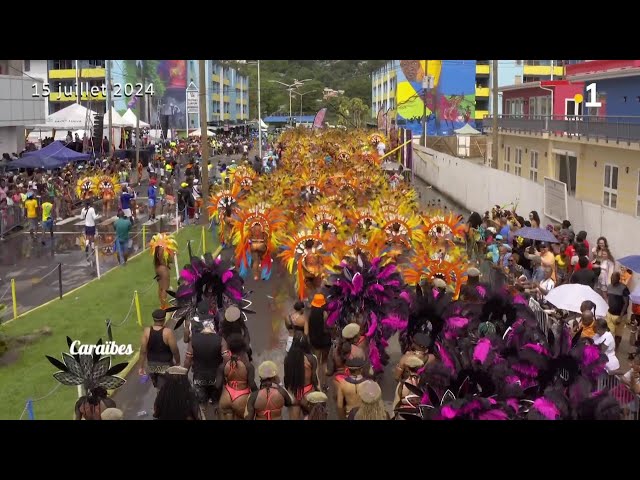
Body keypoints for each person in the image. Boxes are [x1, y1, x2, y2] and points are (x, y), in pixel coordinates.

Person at [184, 301, 226, 417]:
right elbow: (225, 357)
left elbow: (185, 342)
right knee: (217, 403)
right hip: (216, 375)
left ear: (197, 309)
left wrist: (183, 375)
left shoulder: (191, 323)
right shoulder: (216, 321)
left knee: (202, 405)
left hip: (198, 373)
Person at [216, 334, 256, 420]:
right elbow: (252, 385)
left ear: (229, 348)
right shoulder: (248, 366)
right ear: (243, 348)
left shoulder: (223, 365)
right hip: (242, 397)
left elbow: (218, 385)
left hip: (226, 396)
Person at [139, 309, 180, 389]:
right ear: (164, 319)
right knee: (171, 387)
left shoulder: (146, 331)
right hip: (166, 365)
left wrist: (141, 367)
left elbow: (143, 351)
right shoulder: (168, 333)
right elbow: (175, 350)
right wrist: (178, 363)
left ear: (153, 319)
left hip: (152, 366)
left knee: (158, 387)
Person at [284, 336, 319, 420]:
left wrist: (288, 393)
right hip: (308, 393)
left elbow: (286, 379)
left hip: (293, 393)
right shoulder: (311, 359)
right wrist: (318, 391)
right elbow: (314, 379)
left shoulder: (287, 359)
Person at [306, 294, 331, 389]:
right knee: (324, 363)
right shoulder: (325, 314)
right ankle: (325, 384)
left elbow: (308, 329)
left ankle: (317, 385)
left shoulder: (310, 314)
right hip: (325, 342)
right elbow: (327, 327)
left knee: (315, 364)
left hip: (315, 342)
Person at [606, 271, 630, 350]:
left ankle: (616, 347)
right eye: (611, 278)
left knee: (618, 334)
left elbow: (626, 303)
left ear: (618, 279)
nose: (612, 280)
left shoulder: (624, 288)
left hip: (620, 315)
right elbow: (608, 297)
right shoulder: (609, 286)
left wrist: (620, 316)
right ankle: (610, 347)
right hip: (610, 313)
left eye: (614, 278)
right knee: (609, 332)